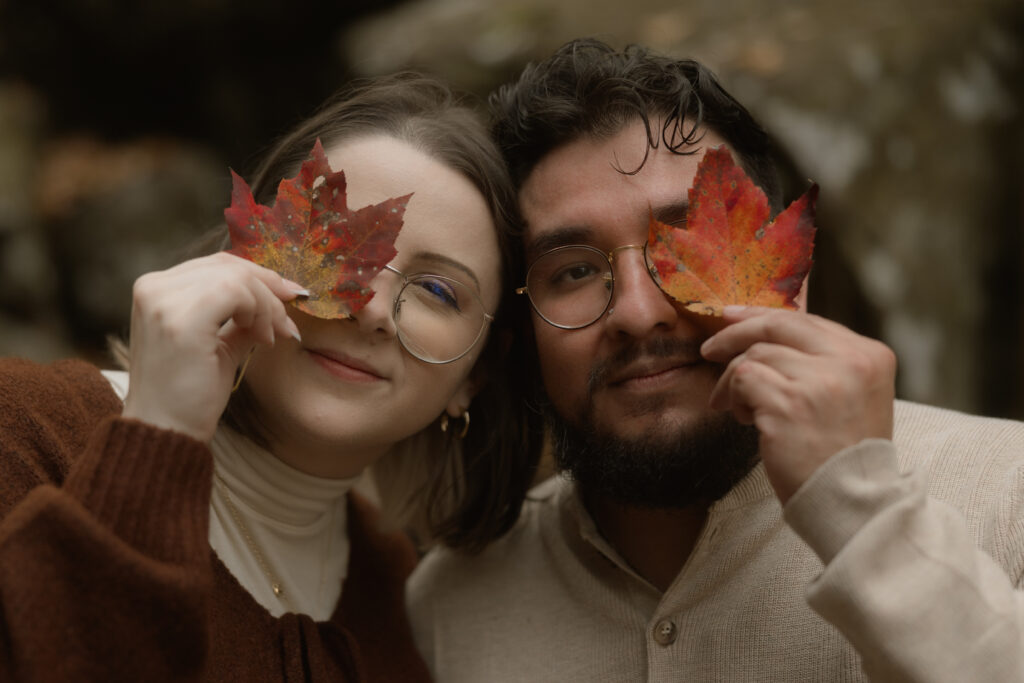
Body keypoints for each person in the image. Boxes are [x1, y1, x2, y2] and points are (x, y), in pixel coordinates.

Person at [407, 39, 1024, 681]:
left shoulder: (1008, 496)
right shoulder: (449, 609)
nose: (639, 312)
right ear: (520, 329)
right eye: (574, 271)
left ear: (792, 274)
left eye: (689, 245)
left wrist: (863, 516)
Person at [0, 74, 542, 682]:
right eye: (333, 247)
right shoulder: (22, 433)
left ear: (478, 373)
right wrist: (159, 437)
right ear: (247, 246)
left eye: (438, 291)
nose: (367, 309)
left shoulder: (395, 594)